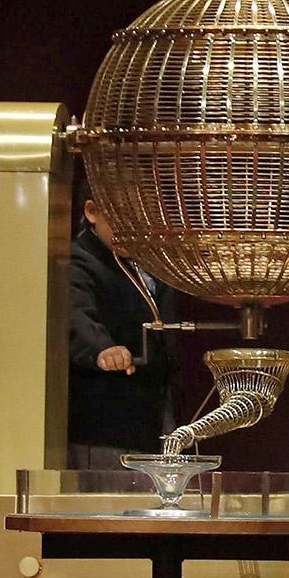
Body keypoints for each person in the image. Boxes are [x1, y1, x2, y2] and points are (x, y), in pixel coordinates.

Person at [67, 190, 177, 467]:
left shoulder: (152, 263)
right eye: (124, 218)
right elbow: (74, 313)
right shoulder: (78, 260)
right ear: (92, 212)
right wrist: (103, 349)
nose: (135, 230)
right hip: (104, 426)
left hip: (153, 418)